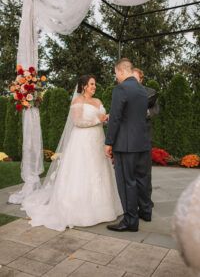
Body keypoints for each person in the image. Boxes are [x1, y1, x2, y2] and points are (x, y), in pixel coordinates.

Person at [21, 74, 123, 231]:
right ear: (83, 86)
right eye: (91, 84)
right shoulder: (77, 101)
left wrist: (107, 118)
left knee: (100, 172)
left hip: (98, 140)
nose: (94, 87)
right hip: (82, 142)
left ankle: (103, 209)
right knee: (82, 172)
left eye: (94, 84)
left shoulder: (98, 101)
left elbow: (102, 118)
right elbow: (78, 122)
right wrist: (99, 120)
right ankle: (80, 211)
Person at [105, 58, 152, 232]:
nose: (116, 77)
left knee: (126, 182)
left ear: (122, 71)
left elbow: (115, 117)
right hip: (142, 143)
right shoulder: (142, 90)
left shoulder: (121, 88)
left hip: (125, 145)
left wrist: (108, 142)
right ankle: (142, 213)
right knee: (139, 179)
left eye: (116, 73)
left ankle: (130, 221)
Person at [132, 68, 159, 207]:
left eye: (136, 79)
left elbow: (155, 110)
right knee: (132, 171)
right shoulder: (126, 91)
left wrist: (143, 112)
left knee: (145, 172)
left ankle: (146, 200)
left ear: (141, 79)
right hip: (129, 138)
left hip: (145, 136)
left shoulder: (150, 92)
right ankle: (133, 200)